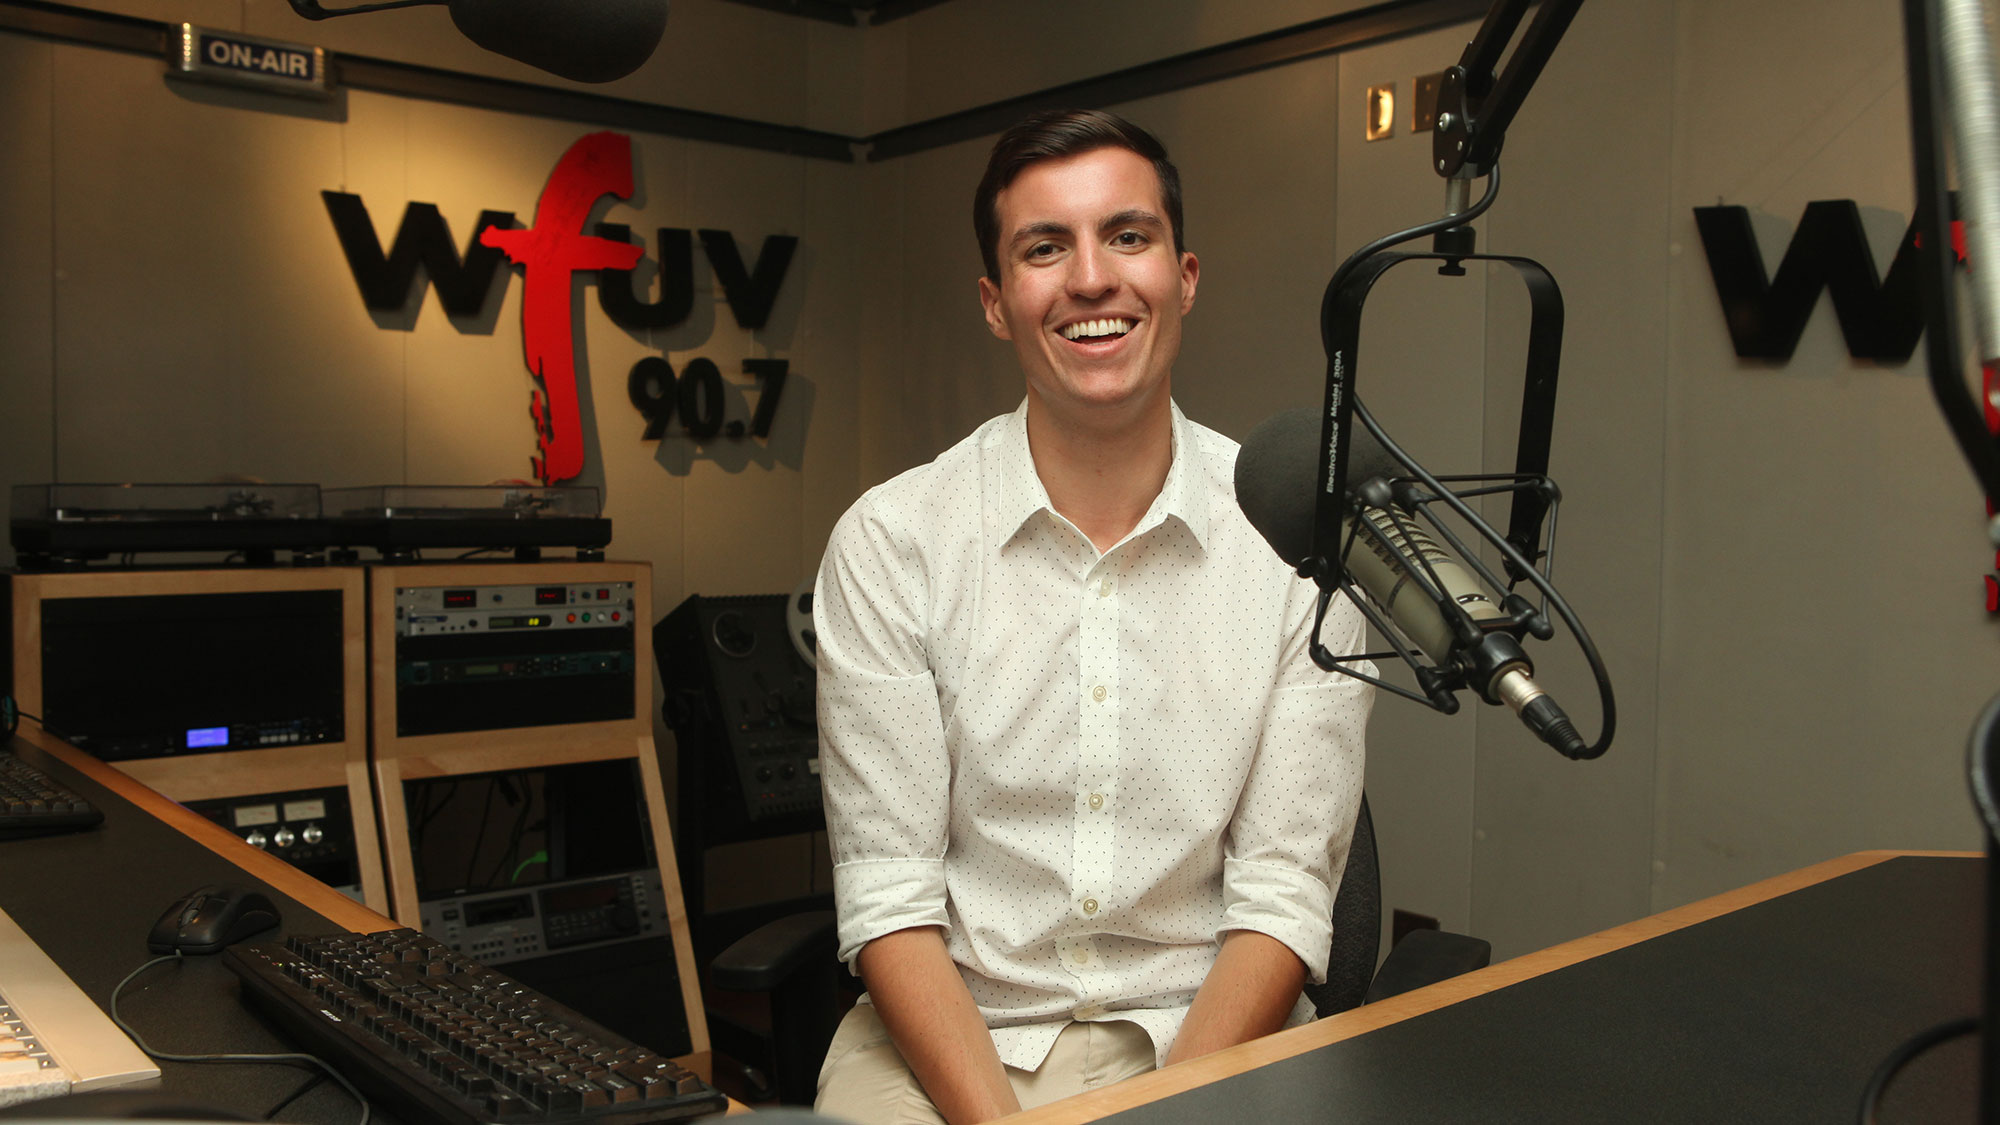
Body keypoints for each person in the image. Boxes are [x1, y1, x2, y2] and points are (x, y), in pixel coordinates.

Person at [811, 108, 1372, 1124]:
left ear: (1183, 275)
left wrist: (1167, 1111)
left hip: (1210, 1038)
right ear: (995, 302)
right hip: (945, 1047)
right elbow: (888, 901)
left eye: (1125, 235)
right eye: (1042, 248)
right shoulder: (891, 543)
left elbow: (1284, 896)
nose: (1089, 279)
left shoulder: (1297, 546)